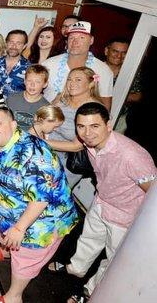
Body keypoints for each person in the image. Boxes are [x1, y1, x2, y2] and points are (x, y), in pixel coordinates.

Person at [48, 102, 157, 303]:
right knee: (88, 240)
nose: (87, 133)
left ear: (108, 125)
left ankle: (90, 291)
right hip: (101, 202)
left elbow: (153, 195)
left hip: (125, 217)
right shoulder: (91, 144)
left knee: (112, 260)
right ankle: (75, 269)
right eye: (81, 126)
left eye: (94, 126)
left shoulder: (132, 156)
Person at [0, 106, 78, 303]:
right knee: (10, 240)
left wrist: (19, 227)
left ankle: (13, 296)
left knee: (25, 260)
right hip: (10, 212)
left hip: (40, 222)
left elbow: (41, 198)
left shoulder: (35, 153)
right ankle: (8, 251)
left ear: (13, 124)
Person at [47, 67, 103, 185]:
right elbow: (43, 119)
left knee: (48, 198)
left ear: (91, 84)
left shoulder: (94, 110)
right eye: (69, 79)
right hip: (44, 155)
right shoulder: (61, 99)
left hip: (68, 163)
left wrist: (41, 142)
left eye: (78, 80)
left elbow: (76, 146)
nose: (72, 83)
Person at [42, 21, 113, 108]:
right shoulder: (48, 64)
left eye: (81, 38)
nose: (75, 42)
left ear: (91, 40)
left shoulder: (103, 70)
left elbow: (105, 108)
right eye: (71, 38)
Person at [6, 65, 50, 132]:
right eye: (29, 80)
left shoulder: (46, 108)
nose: (32, 85)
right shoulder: (11, 99)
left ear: (45, 84)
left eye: (37, 82)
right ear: (24, 81)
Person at [0, 29, 30, 98]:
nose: (14, 46)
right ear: (6, 43)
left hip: (16, 108)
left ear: (24, 46)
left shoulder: (30, 68)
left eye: (18, 43)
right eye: (11, 42)